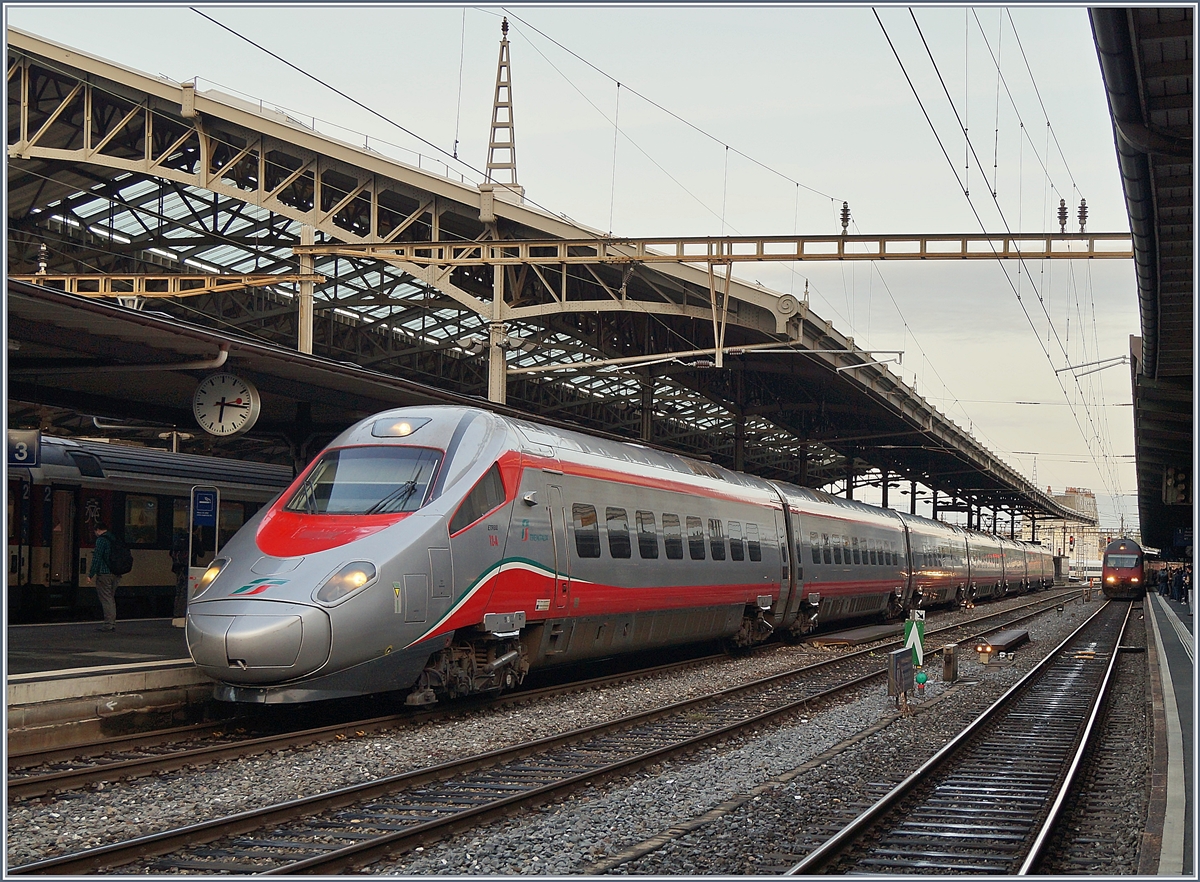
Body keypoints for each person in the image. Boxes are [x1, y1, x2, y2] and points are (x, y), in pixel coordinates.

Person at [87, 522, 119, 632]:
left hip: (104, 573)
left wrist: (91, 574)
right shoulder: (114, 539)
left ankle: (108, 624)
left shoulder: (101, 540)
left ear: (97, 530)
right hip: (116, 573)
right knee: (111, 598)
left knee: (106, 599)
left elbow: (97, 558)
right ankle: (112, 623)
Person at [171, 530, 190, 628]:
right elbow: (201, 553)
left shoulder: (178, 539)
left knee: (178, 591)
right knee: (185, 591)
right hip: (188, 569)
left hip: (178, 569)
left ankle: (176, 612)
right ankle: (182, 613)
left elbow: (171, 553)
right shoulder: (193, 539)